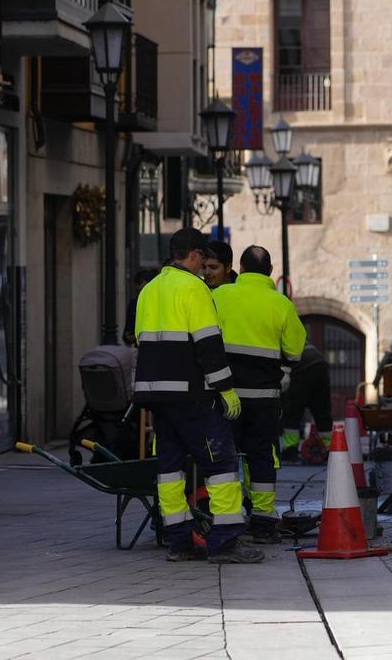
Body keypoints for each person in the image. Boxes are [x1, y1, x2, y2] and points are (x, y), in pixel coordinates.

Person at [134, 228, 262, 564]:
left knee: (170, 468)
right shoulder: (194, 289)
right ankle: (226, 541)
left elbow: (139, 339)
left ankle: (178, 541)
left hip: (157, 397)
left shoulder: (149, 290)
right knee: (219, 463)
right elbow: (208, 344)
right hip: (192, 395)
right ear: (192, 255)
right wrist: (225, 388)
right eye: (202, 261)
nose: (204, 269)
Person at [212, 246, 306, 542]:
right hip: (264, 397)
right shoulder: (281, 304)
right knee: (261, 456)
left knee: (222, 457)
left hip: (224, 394)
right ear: (270, 270)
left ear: (238, 267)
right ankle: (263, 521)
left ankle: (224, 518)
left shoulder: (218, 297)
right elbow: (295, 349)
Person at [280, 342, 334, 463]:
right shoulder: (295, 336)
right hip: (319, 364)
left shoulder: (272, 341)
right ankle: (329, 448)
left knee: (291, 412)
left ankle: (290, 450)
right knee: (322, 411)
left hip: (301, 369)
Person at [123, 267, 160, 346]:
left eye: (143, 290)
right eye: (138, 291)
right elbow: (127, 334)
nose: (141, 294)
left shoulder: (160, 303)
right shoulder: (133, 304)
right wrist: (130, 337)